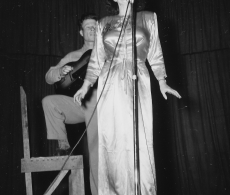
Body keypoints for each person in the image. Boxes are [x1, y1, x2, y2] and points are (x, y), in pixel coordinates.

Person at [74, 0, 181, 194]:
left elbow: (155, 53)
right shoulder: (103, 22)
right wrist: (85, 86)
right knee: (113, 139)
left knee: (138, 137)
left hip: (138, 78)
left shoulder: (148, 18)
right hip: (110, 82)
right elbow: (97, 59)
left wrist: (162, 81)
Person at [42, 13, 98, 195]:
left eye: (94, 26)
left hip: (102, 105)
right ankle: (63, 147)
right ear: (81, 33)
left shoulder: (107, 50)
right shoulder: (74, 55)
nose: (91, 29)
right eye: (87, 27)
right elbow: (49, 77)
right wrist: (60, 71)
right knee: (49, 102)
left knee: (96, 157)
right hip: (81, 105)